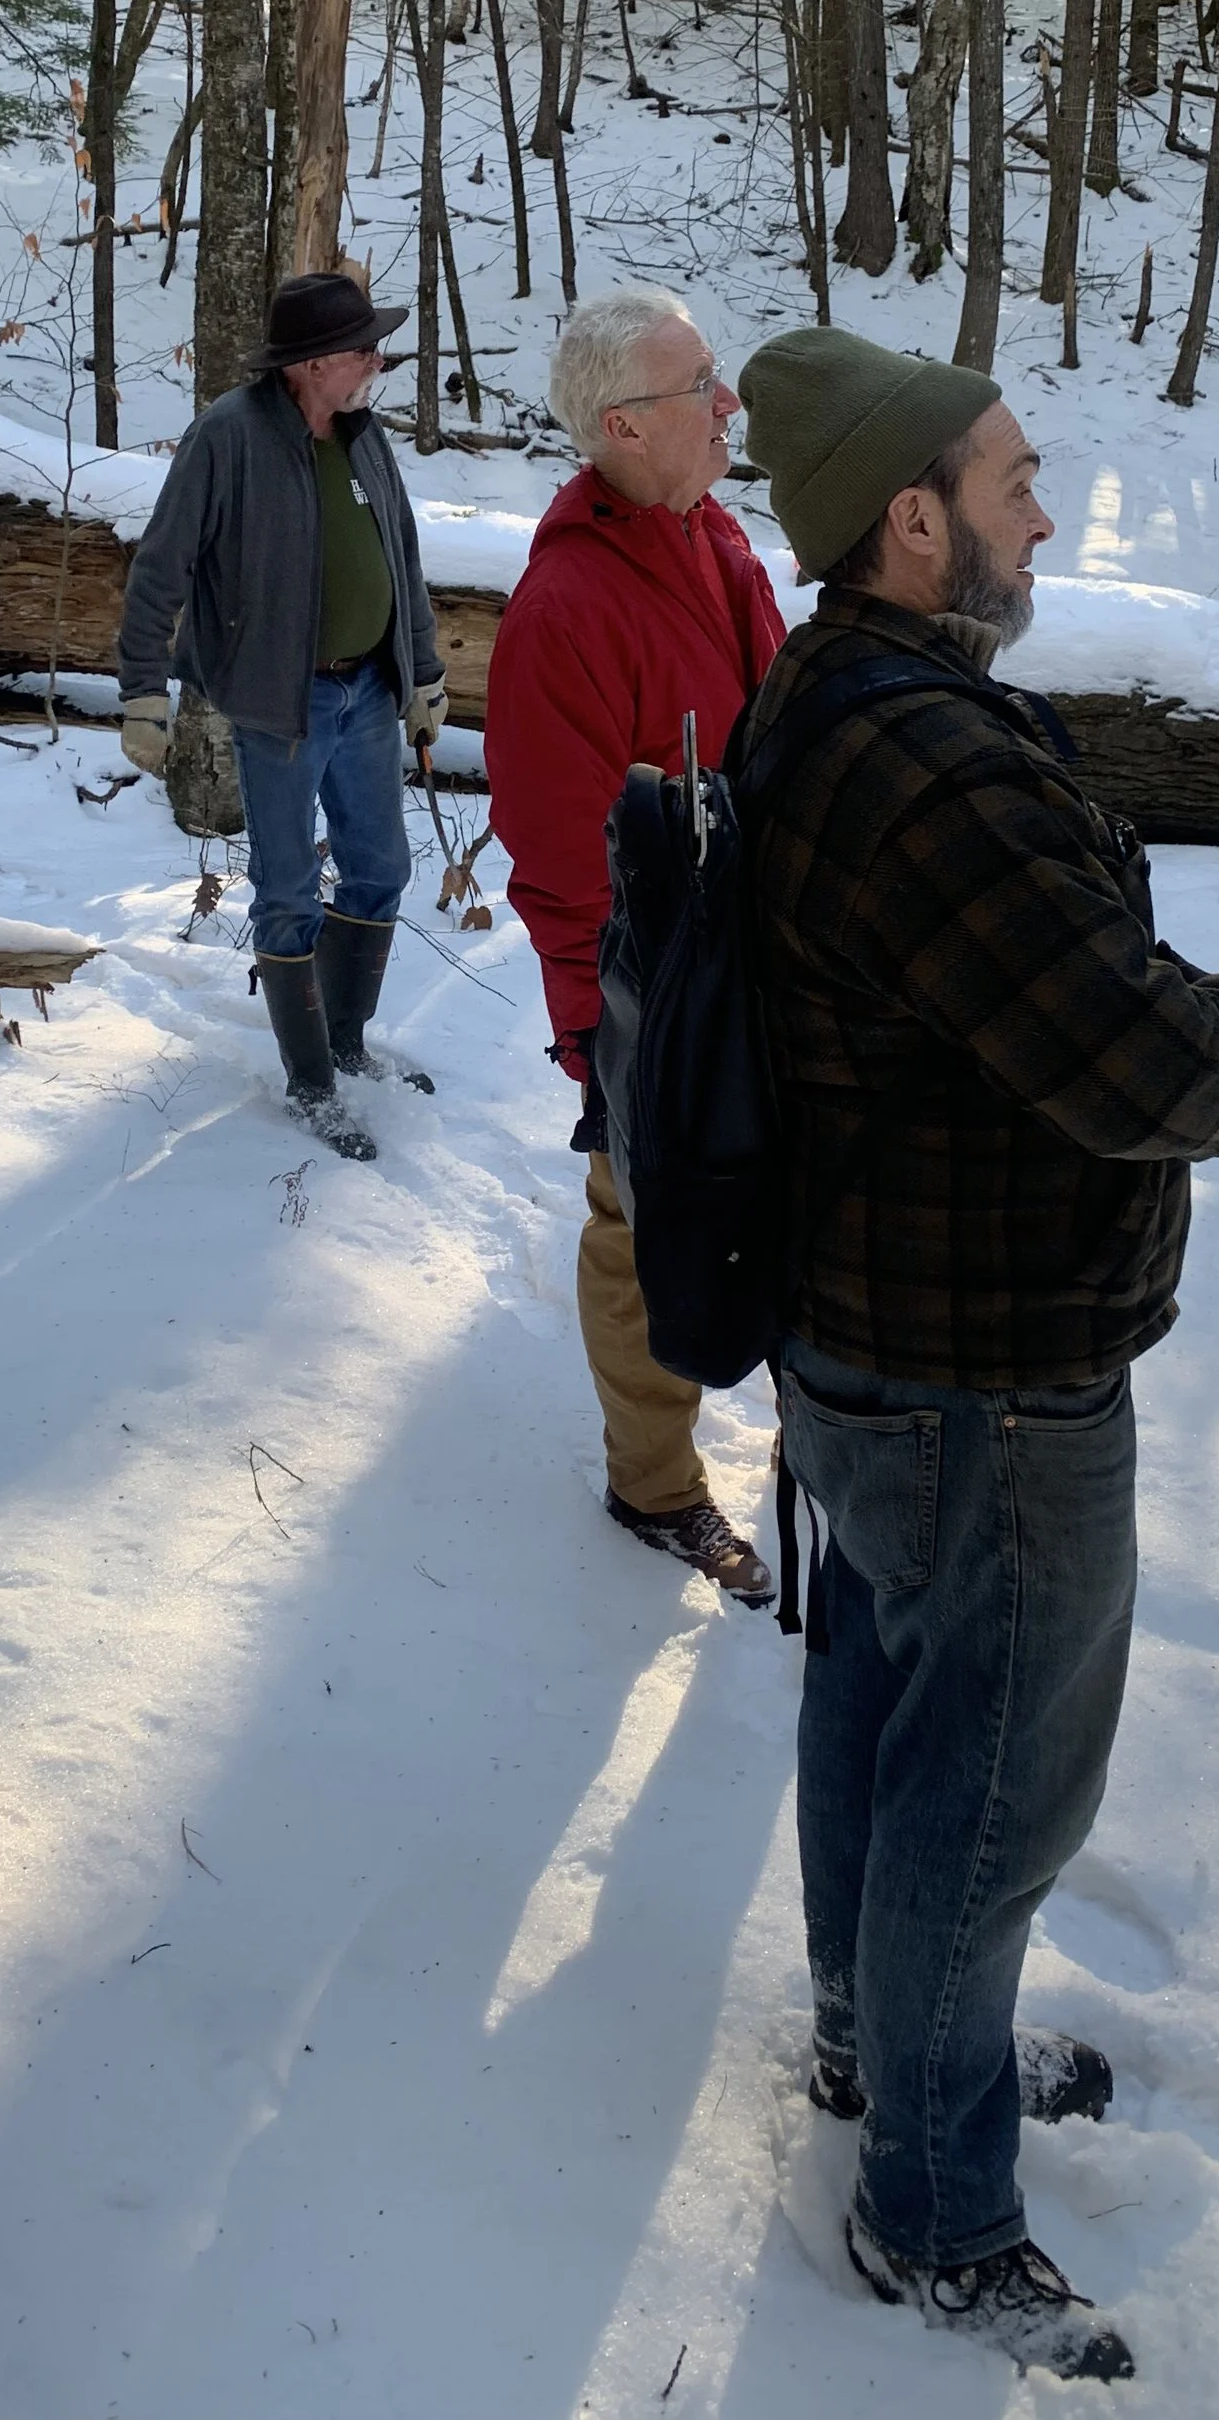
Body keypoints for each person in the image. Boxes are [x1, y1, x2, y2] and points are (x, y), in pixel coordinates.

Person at [733, 326, 1219, 2386]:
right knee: (985, 1794)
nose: (1038, 507)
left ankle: (880, 2033)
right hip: (974, 1374)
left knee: (885, 1692)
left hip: (878, 1346)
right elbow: (1129, 1053)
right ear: (906, 520)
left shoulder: (840, 692)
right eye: (1004, 476)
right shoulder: (927, 767)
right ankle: (938, 2209)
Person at [488, 287, 785, 1605]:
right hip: (656, 999)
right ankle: (652, 1483)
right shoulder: (566, 609)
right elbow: (558, 859)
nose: (729, 406)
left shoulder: (712, 535)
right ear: (621, 426)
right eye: (698, 387)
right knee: (640, 1226)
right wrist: (603, 1036)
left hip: (763, 966)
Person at [118, 271, 449, 1161]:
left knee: (381, 868)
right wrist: (144, 690)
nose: (377, 361)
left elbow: (401, 558)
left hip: (371, 694)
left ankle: (346, 1041)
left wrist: (421, 673)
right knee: (289, 889)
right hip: (280, 700)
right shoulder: (227, 436)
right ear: (308, 364)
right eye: (361, 349)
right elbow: (161, 567)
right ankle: (310, 1083)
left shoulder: (363, 436)